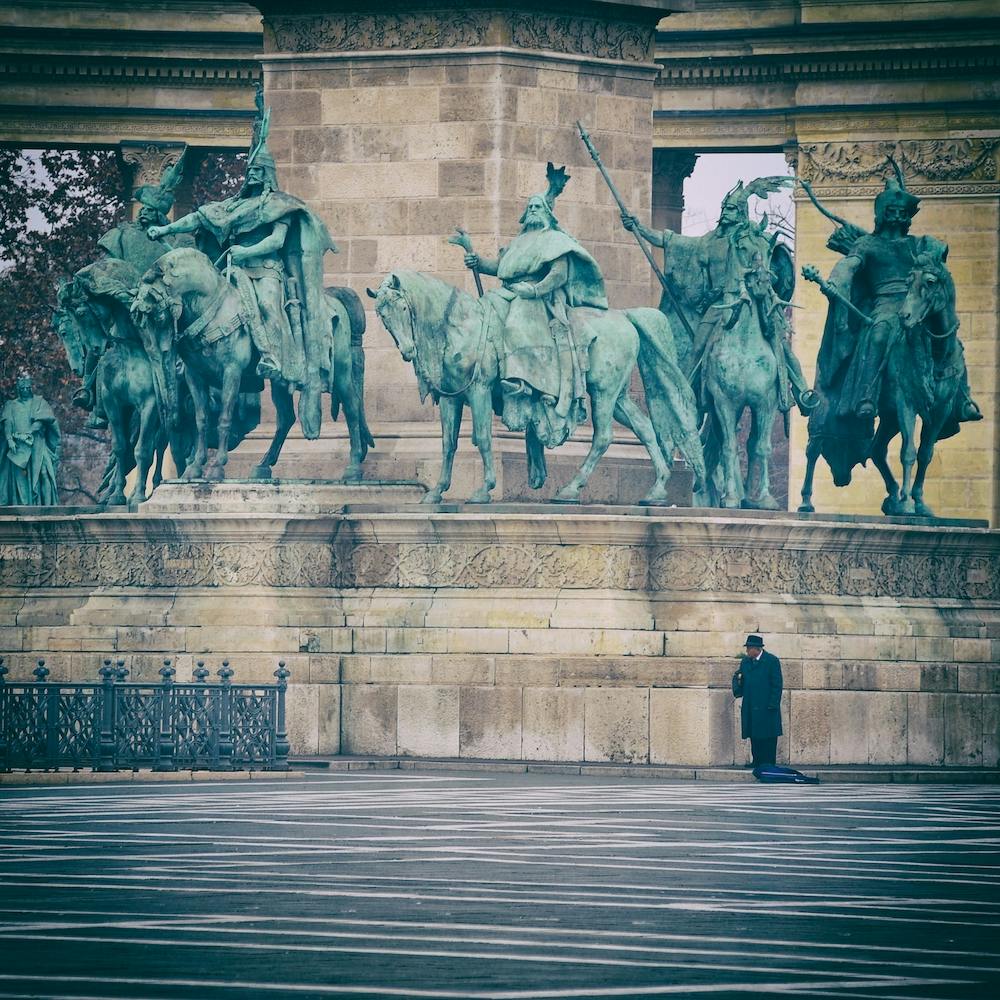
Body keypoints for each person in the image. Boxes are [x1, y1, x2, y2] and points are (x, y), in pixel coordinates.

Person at [147, 112, 336, 439]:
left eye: (257, 172)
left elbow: (277, 241)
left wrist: (246, 252)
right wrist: (165, 228)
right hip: (231, 270)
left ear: (268, 176)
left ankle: (270, 358)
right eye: (249, 172)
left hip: (266, 272)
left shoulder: (279, 205)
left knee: (265, 308)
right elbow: (199, 219)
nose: (251, 177)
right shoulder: (233, 206)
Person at [622, 179, 816, 416]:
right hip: (720, 304)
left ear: (741, 213)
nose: (726, 213)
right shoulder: (709, 242)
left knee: (780, 344)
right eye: (725, 208)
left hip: (754, 302)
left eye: (732, 209)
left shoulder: (754, 239)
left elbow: (771, 266)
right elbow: (670, 241)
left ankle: (801, 390)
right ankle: (686, 394)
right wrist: (639, 229)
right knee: (698, 347)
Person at [814, 171, 981, 425]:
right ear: (882, 214)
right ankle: (867, 395)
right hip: (884, 305)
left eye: (902, 212)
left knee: (950, 339)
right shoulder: (867, 244)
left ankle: (962, 398)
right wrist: (838, 279)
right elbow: (849, 265)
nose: (897, 216)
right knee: (880, 332)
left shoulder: (917, 244)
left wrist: (933, 252)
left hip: (917, 301)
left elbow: (937, 258)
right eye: (892, 211)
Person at [462, 165, 608, 448]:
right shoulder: (519, 242)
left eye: (537, 207)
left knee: (516, 326)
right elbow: (503, 267)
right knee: (485, 313)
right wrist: (477, 261)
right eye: (530, 207)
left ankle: (522, 381)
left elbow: (559, 273)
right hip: (511, 292)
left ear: (547, 212)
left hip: (539, 298)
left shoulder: (554, 239)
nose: (533, 210)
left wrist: (535, 289)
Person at [0, 375, 60, 506]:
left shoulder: (39, 402)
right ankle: (24, 504)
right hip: (18, 445)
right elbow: (7, 422)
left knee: (44, 473)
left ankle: (48, 507)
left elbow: (43, 420)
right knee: (20, 477)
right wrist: (10, 439)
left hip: (37, 443)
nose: (26, 390)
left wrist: (29, 432)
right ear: (18, 389)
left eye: (28, 387)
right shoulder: (11, 405)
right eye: (23, 388)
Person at [731, 634, 782, 768]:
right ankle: (757, 760)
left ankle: (768, 762)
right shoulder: (746, 662)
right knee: (754, 734)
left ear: (756, 649)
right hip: (751, 703)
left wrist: (773, 704)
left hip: (767, 705)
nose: (747, 651)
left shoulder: (771, 661)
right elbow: (739, 677)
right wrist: (737, 688)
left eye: (748, 648)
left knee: (768, 735)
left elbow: (777, 684)